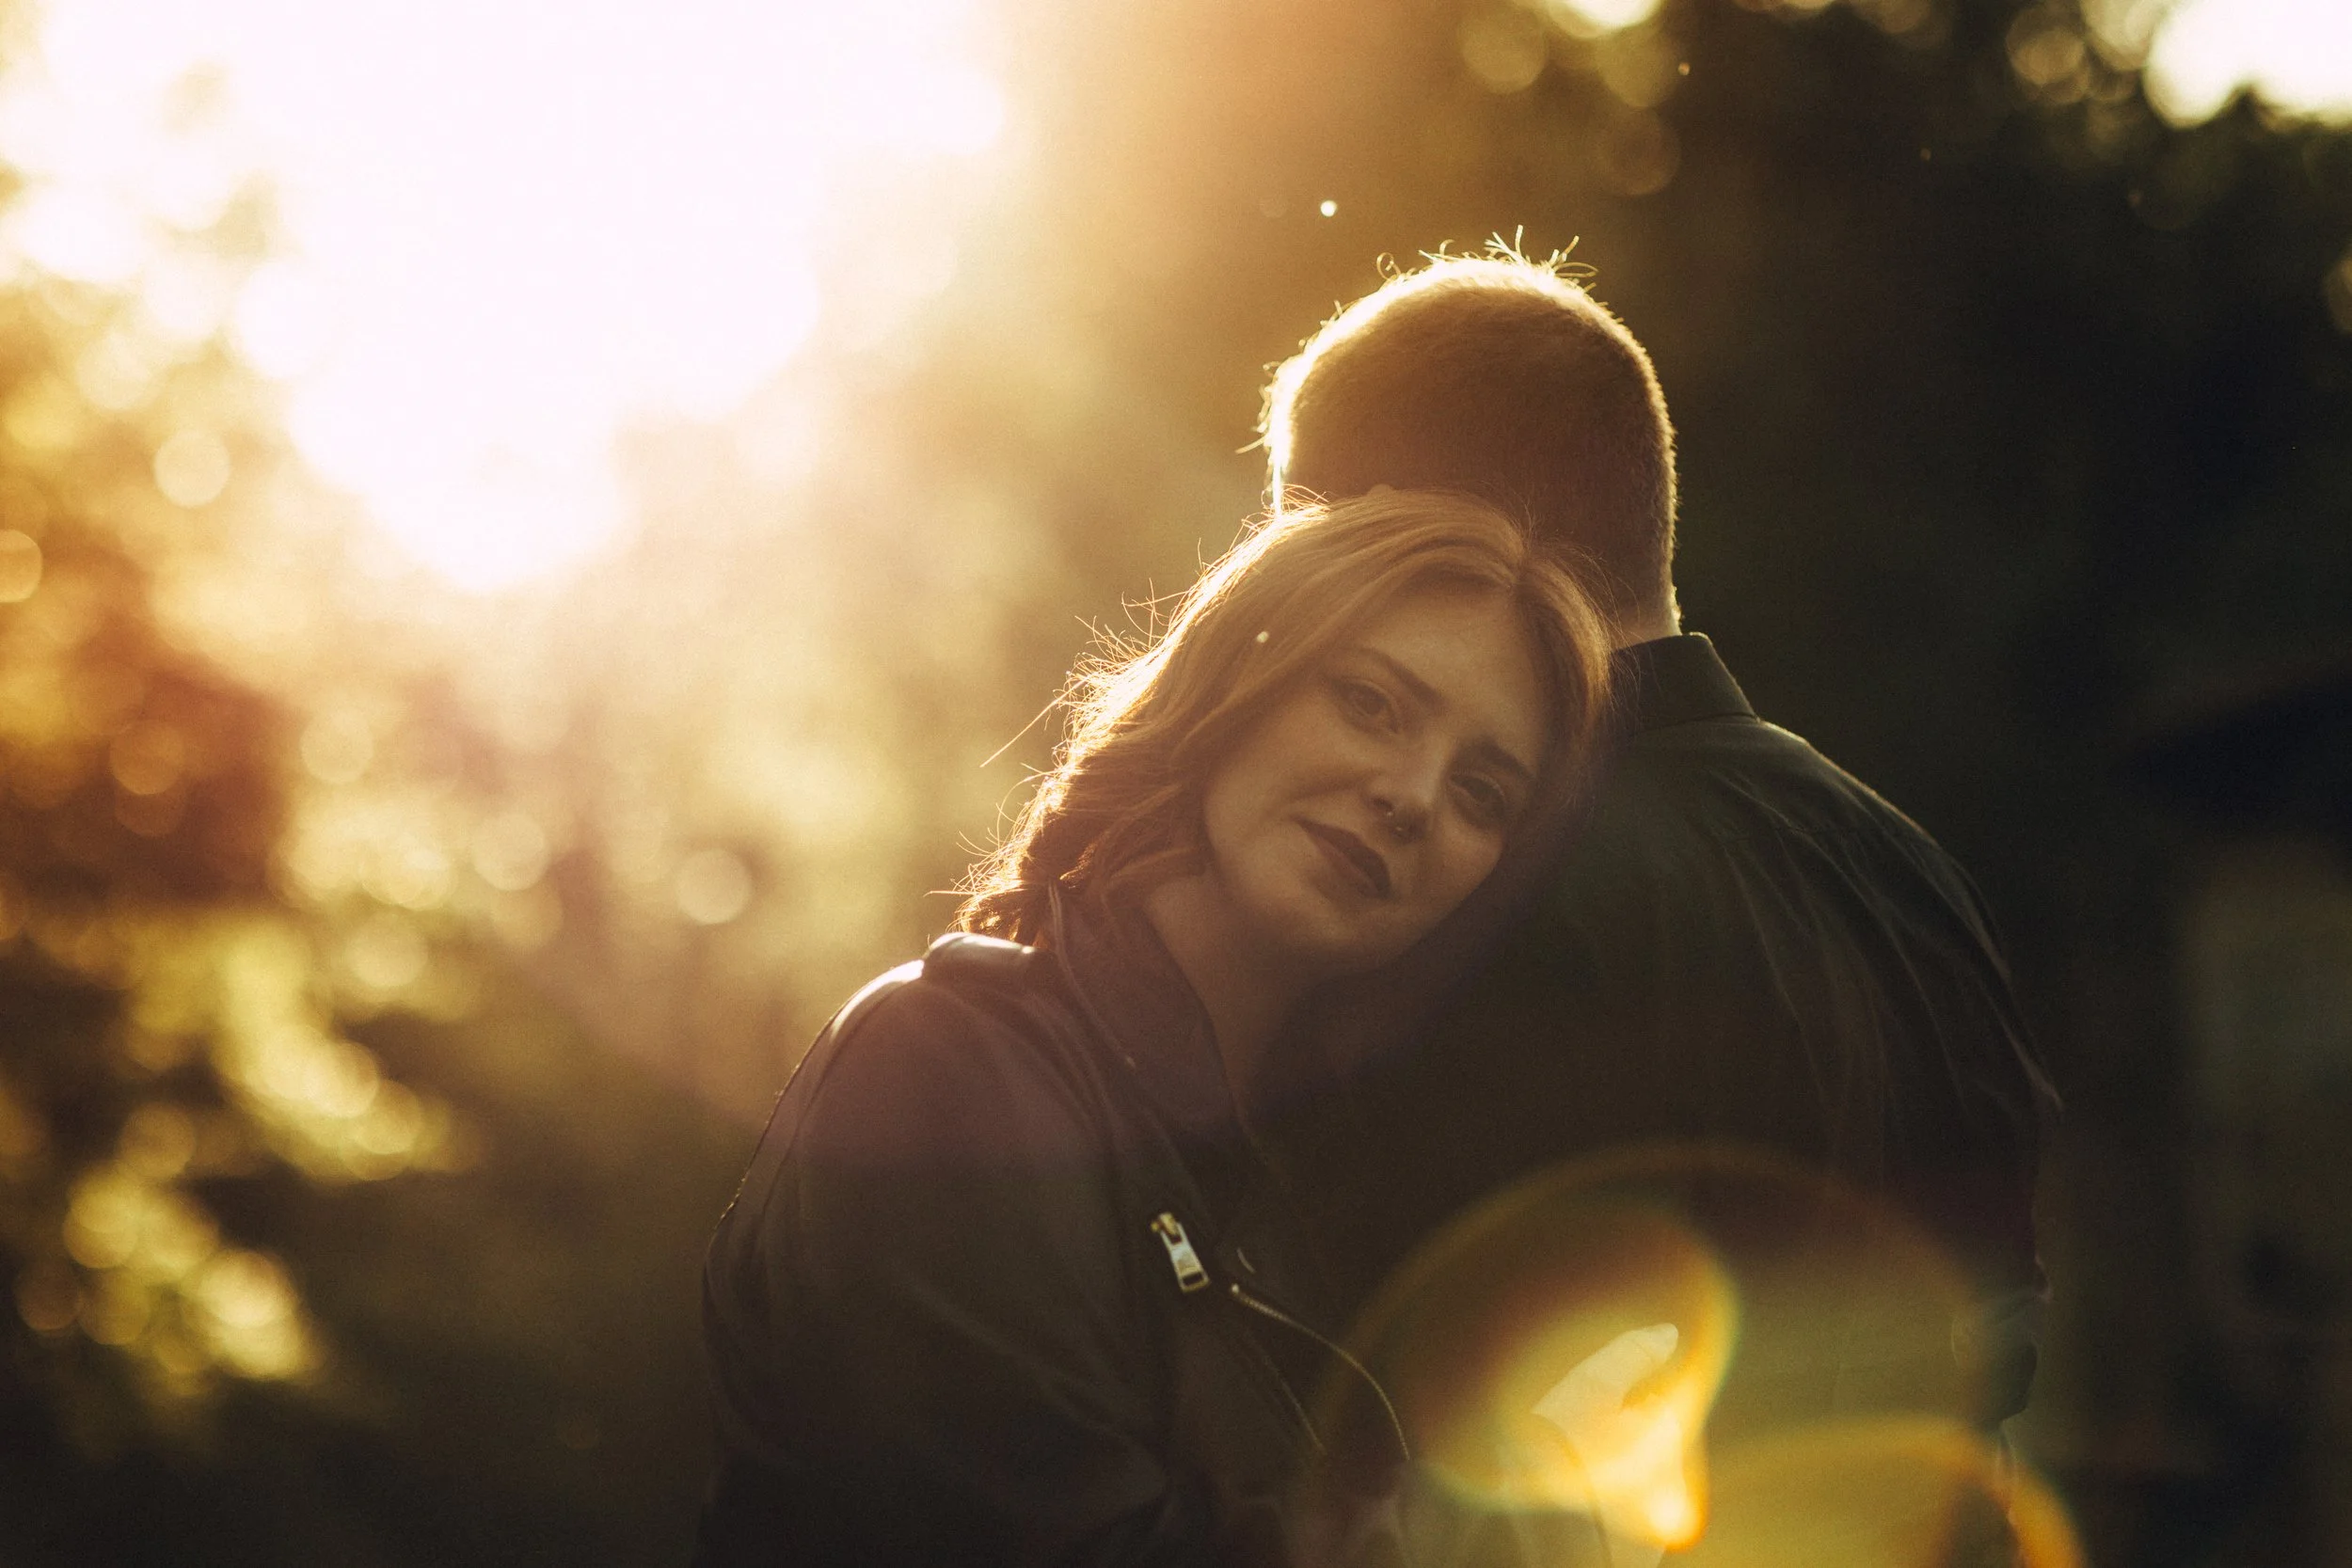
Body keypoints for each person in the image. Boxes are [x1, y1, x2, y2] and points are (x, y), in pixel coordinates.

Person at [692, 489, 1621, 1567]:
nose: (1412, 794)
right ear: (1237, 681)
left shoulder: (1306, 1189)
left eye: (1482, 790)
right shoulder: (947, 1066)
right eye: (1371, 702)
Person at [1259, 249, 2059, 1449]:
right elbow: (1997, 1336)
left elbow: (1353, 1407)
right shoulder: (1912, 876)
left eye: (1304, 546)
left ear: (1413, 542)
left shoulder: (1491, 897)